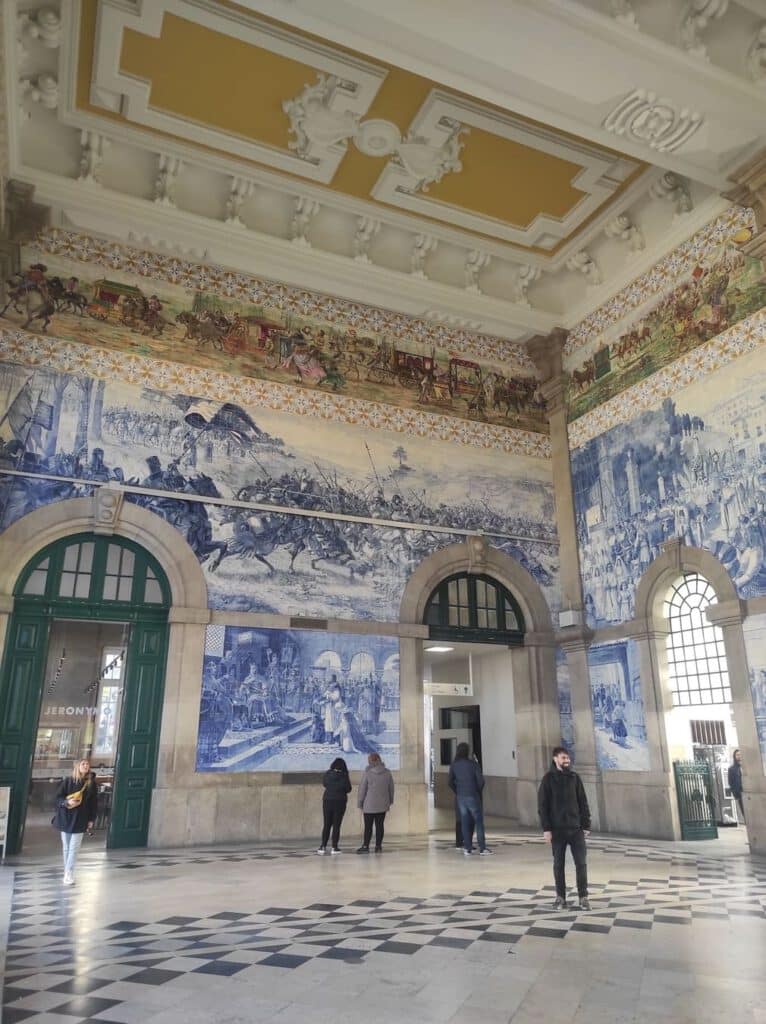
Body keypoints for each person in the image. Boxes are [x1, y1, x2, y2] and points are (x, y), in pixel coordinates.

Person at [538, 746, 591, 910]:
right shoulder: (548, 779)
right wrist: (546, 829)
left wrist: (586, 824)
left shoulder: (575, 778)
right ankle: (560, 897)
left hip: (576, 829)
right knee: (558, 864)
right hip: (557, 830)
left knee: (581, 863)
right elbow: (543, 805)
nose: (566, 760)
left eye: (567, 758)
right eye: (563, 758)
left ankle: (583, 897)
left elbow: (583, 801)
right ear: (555, 759)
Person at [52, 758, 98, 886]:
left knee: (74, 848)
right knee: (66, 847)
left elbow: (94, 803)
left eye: (87, 764)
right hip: (66, 817)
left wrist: (91, 819)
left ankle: (69, 872)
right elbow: (57, 798)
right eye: (83, 764)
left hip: (81, 818)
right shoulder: (68, 781)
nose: (85, 766)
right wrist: (67, 802)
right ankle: (67, 871)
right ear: (77, 766)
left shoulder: (91, 783)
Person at [448, 743, 491, 856]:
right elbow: (481, 781)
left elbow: (450, 782)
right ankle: (482, 848)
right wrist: (477, 791)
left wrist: (457, 791)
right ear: (467, 751)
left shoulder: (454, 765)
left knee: (465, 822)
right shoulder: (473, 764)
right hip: (473, 795)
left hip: (461, 797)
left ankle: (467, 848)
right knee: (479, 822)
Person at [356, 752, 394, 853]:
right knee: (380, 826)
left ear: (371, 761)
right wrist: (390, 801)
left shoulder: (367, 773)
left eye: (369, 760)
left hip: (369, 805)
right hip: (382, 804)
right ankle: (378, 846)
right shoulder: (387, 772)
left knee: (368, 827)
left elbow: (362, 790)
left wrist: (360, 803)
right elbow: (391, 789)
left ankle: (365, 846)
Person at [317, 757, 352, 855]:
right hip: (340, 801)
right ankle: (334, 847)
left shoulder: (328, 773)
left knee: (327, 824)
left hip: (327, 800)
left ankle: (322, 846)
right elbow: (348, 788)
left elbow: (324, 784)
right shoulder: (344, 775)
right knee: (336, 825)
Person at [728, 749, 744, 823]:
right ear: (734, 756)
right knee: (744, 812)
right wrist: (735, 794)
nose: (739, 756)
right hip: (740, 794)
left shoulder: (746, 766)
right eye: (737, 755)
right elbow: (730, 782)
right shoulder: (731, 769)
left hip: (749, 791)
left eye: (740, 754)